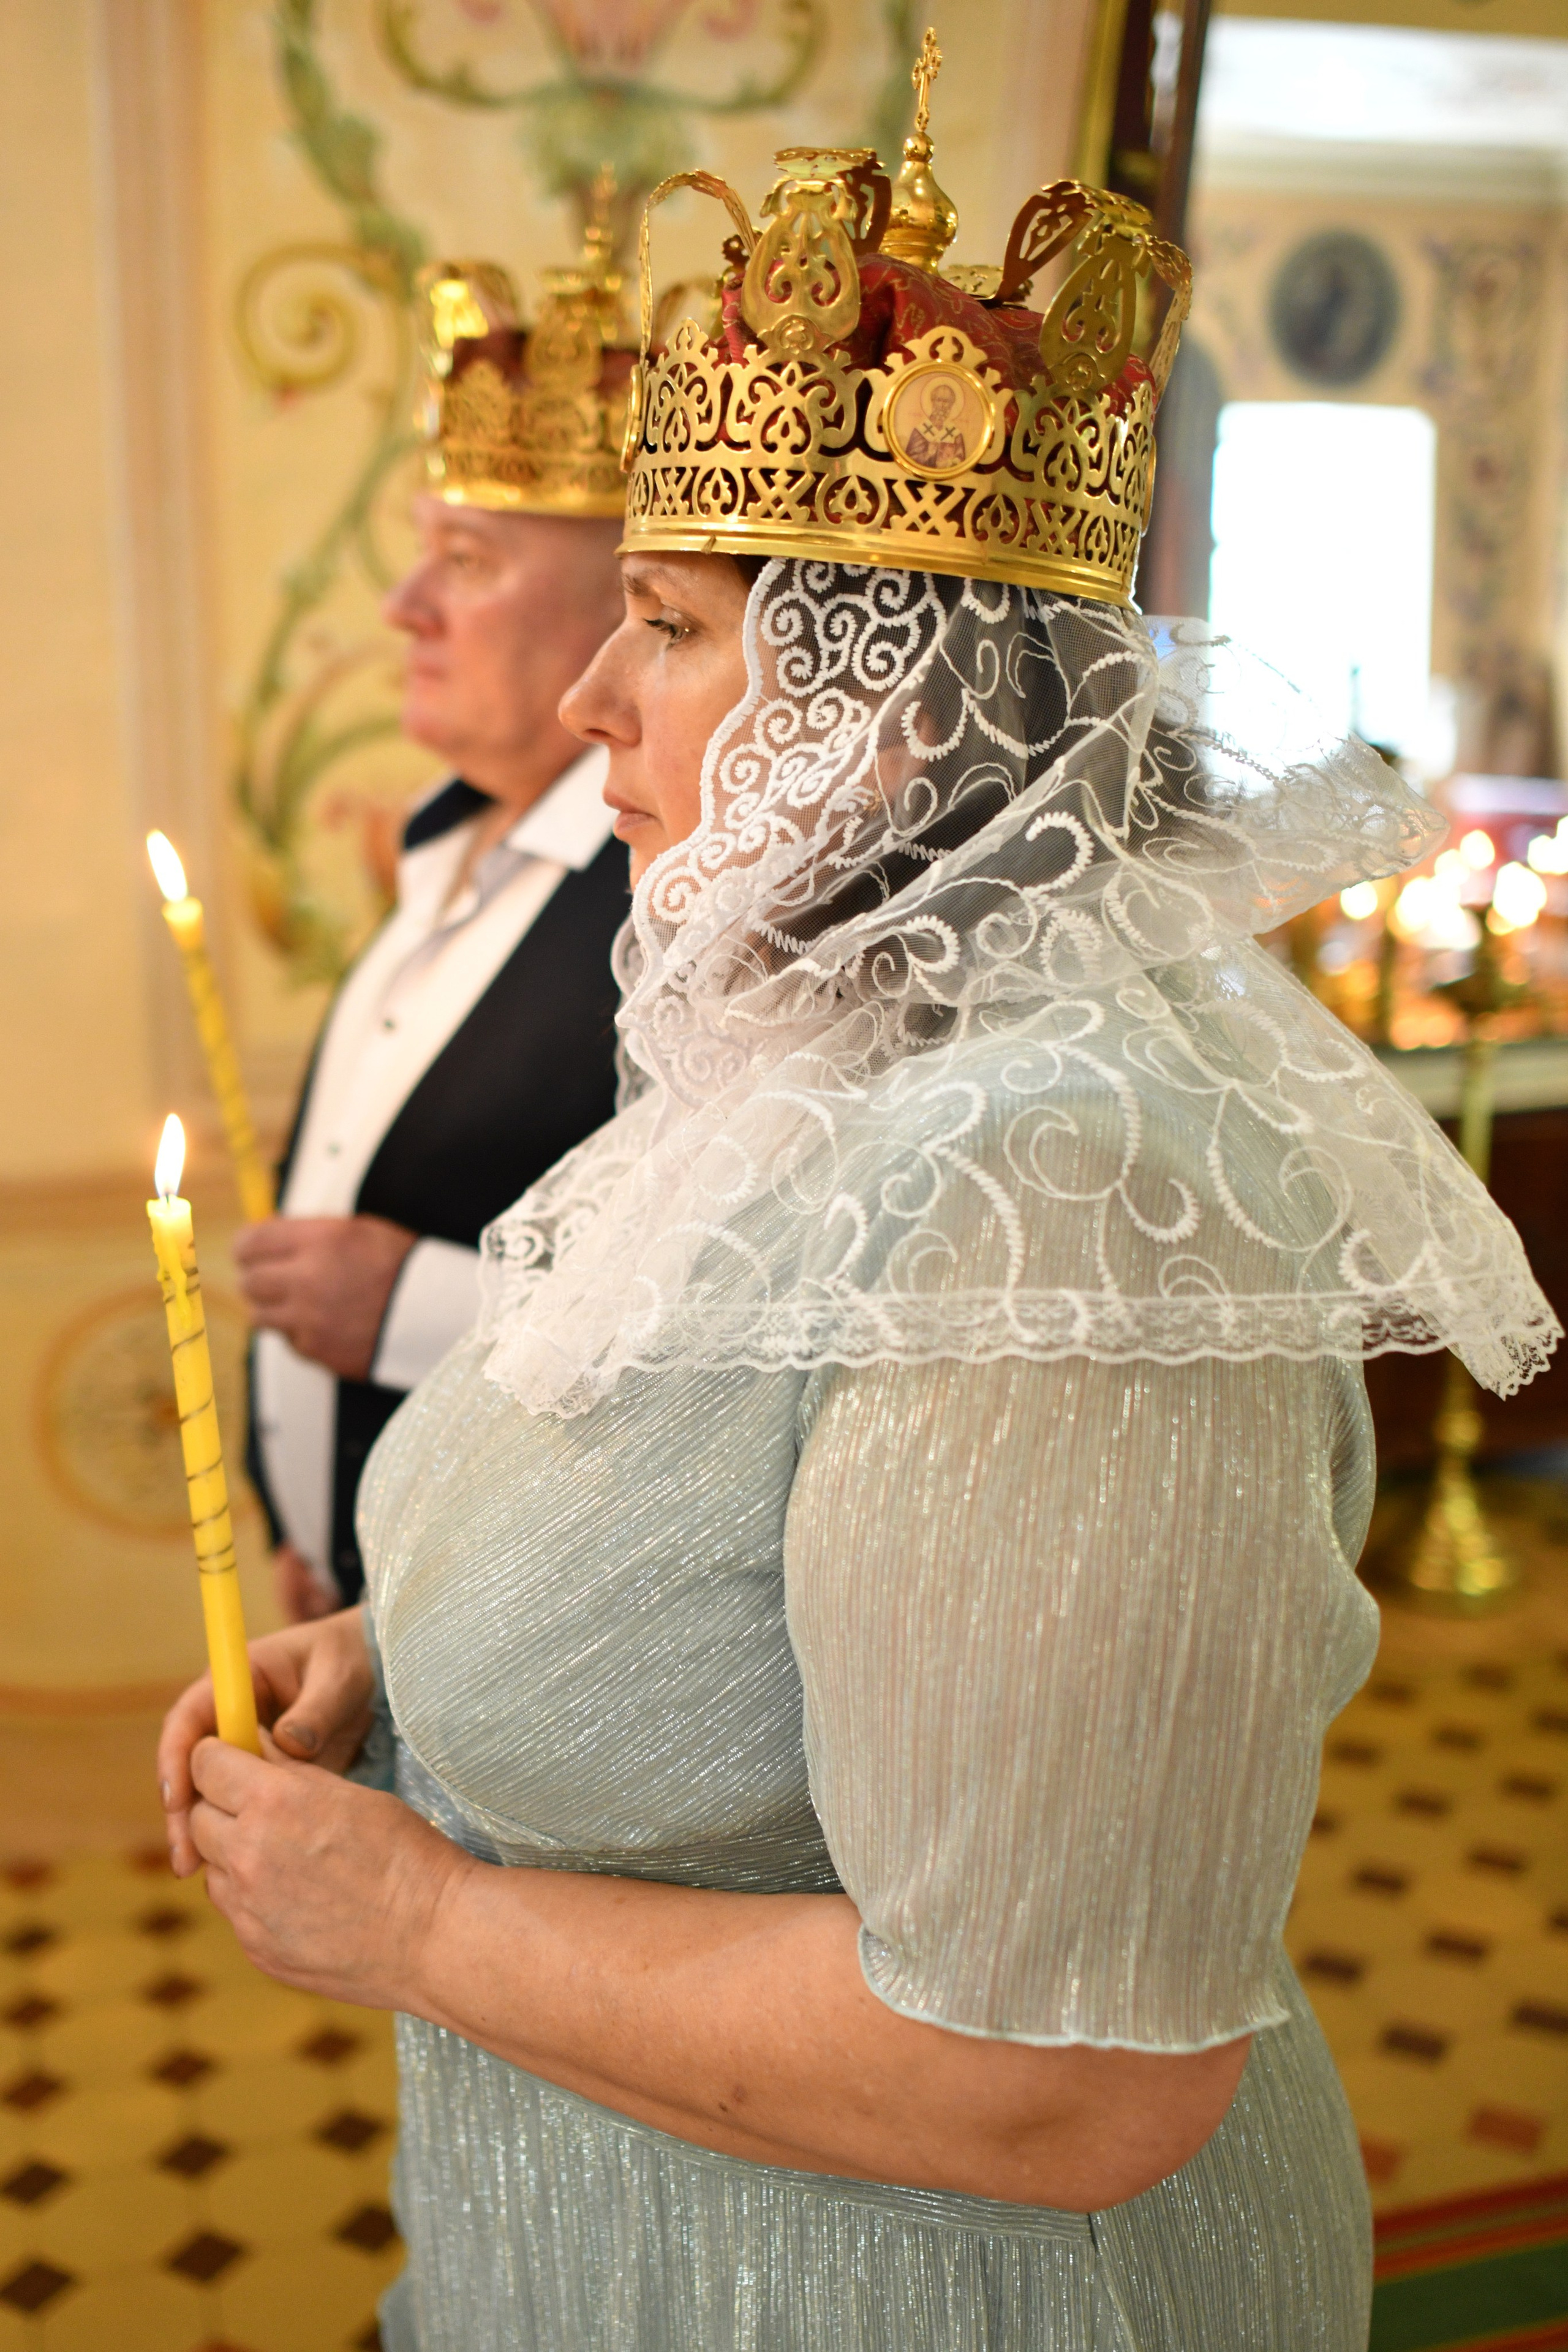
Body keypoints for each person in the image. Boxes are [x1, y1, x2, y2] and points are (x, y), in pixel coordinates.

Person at [161, 153, 1558, 2350]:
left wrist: (418, 1924)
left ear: (884, 701)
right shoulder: (784, 1081)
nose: (587, 703)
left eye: (677, 623)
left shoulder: (1061, 1195)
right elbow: (710, 1568)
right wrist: (411, 1680)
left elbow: (1065, 2080)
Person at [239, 225, 635, 1621]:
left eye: (463, 561)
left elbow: (720, 1333)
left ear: (630, 611)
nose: (401, 609)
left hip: (517, 1634)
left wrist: (409, 1312)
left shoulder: (670, 916)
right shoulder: (437, 835)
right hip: (336, 1599)